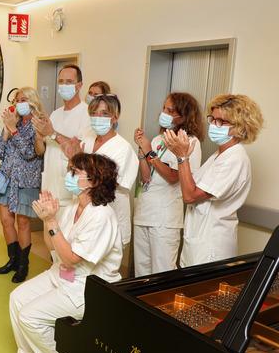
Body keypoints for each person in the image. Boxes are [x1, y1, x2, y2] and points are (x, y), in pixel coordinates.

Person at [8, 153, 122, 353]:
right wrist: (47, 219)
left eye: (75, 172)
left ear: (93, 181)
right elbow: (53, 245)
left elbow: (71, 259)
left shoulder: (101, 216)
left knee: (29, 316)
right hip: (62, 274)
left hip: (88, 288)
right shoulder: (73, 207)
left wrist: (51, 220)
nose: (68, 176)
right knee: (17, 299)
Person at [164, 94, 263, 267]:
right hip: (197, 240)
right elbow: (192, 186)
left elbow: (190, 196)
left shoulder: (235, 159)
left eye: (221, 122)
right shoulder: (218, 155)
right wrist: (184, 157)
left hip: (211, 246)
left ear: (240, 126)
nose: (214, 125)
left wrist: (182, 158)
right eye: (213, 119)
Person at [63, 94, 138, 275]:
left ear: (115, 117)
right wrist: (73, 159)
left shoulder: (122, 148)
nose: (98, 118)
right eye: (94, 113)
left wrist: (77, 159)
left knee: (101, 273)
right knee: (78, 269)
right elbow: (74, 171)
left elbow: (107, 183)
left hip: (109, 216)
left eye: (104, 114)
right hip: (85, 212)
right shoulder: (88, 139)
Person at [132, 93, 204, 276]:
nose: (164, 113)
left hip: (164, 219)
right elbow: (146, 177)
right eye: (164, 108)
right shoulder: (158, 139)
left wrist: (150, 153)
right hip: (144, 212)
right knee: (141, 274)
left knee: (162, 274)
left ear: (183, 115)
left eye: (170, 110)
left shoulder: (190, 142)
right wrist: (142, 151)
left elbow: (173, 176)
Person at [0, 87, 44, 283]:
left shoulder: (37, 124)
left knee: (23, 223)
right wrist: (7, 132)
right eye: (16, 100)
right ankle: (12, 260)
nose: (18, 103)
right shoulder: (11, 121)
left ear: (32, 102)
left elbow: (30, 153)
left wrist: (13, 130)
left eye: (23, 99)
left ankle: (23, 265)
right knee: (6, 221)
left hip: (26, 181)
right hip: (7, 180)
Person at [32, 64, 90, 230]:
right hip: (49, 189)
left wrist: (52, 133)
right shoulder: (55, 114)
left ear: (79, 85)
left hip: (70, 193)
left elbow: (79, 152)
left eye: (69, 82)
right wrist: (39, 136)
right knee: (50, 240)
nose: (64, 86)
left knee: (65, 239)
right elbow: (41, 151)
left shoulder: (86, 113)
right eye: (61, 82)